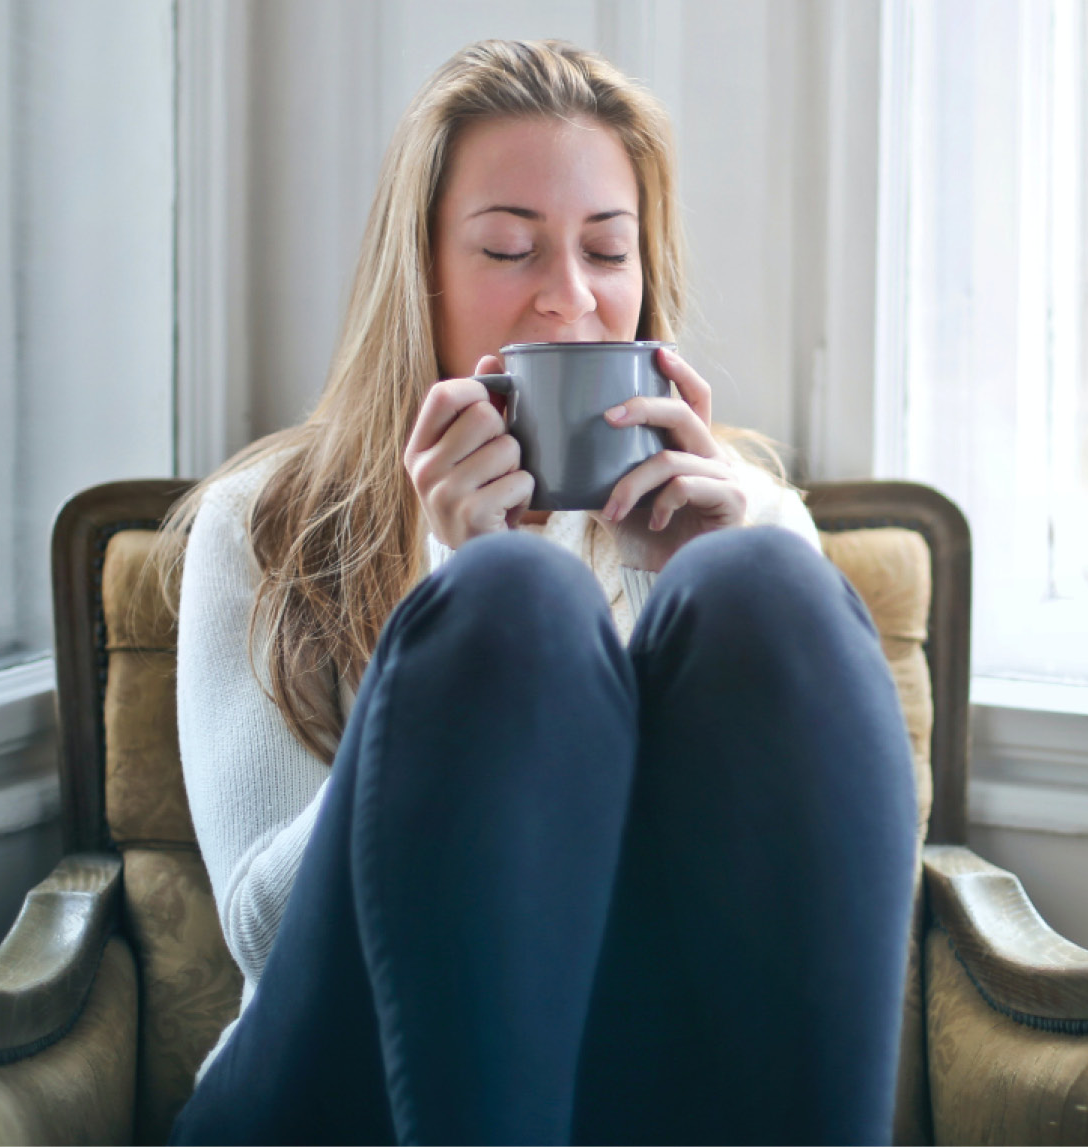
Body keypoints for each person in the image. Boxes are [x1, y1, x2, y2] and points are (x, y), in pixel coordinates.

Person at [164, 38, 917, 1146]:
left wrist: (685, 589)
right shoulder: (265, 523)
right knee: (513, 601)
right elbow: (267, 940)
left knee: (761, 577)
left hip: (635, 1086)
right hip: (329, 1083)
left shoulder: (746, 513)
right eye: (511, 249)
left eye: (607, 252)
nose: (571, 302)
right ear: (418, 271)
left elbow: (836, 917)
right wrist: (450, 587)